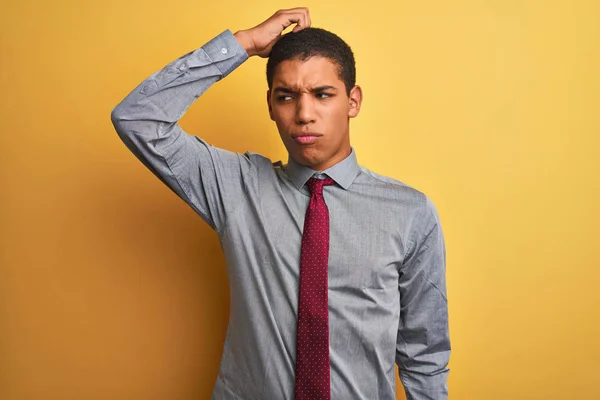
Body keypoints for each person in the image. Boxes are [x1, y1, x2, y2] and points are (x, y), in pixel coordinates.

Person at [111, 7, 450, 400]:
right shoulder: (236, 188)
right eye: (286, 97)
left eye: (323, 94)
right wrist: (243, 44)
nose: (304, 115)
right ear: (271, 105)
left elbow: (424, 353)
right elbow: (137, 119)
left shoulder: (409, 213)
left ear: (353, 101)